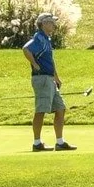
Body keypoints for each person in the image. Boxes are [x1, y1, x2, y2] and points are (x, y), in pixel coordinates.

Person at [24, 13, 75, 151]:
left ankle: (59, 142)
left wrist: (56, 77)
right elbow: (26, 49)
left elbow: (50, 61)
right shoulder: (39, 38)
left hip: (49, 78)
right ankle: (37, 143)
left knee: (60, 108)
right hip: (41, 78)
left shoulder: (47, 39)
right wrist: (34, 64)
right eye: (51, 22)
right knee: (41, 110)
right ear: (44, 23)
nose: (54, 25)